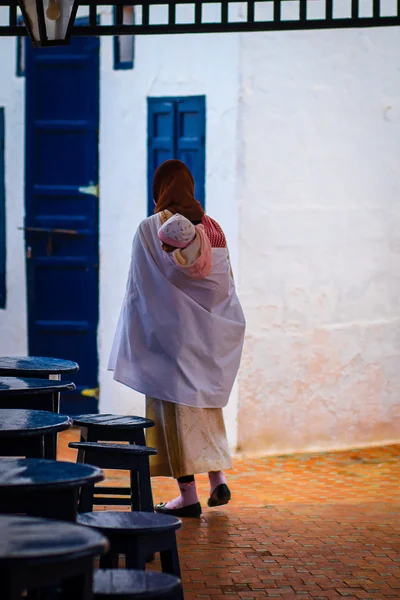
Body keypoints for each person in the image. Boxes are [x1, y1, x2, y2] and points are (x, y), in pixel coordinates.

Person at [108, 159, 246, 518]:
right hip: (205, 338)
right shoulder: (212, 228)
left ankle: (187, 495)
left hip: (168, 342)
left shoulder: (151, 228)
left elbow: (140, 288)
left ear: (160, 190)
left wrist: (141, 335)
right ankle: (217, 480)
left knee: (171, 419)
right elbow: (223, 285)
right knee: (204, 412)